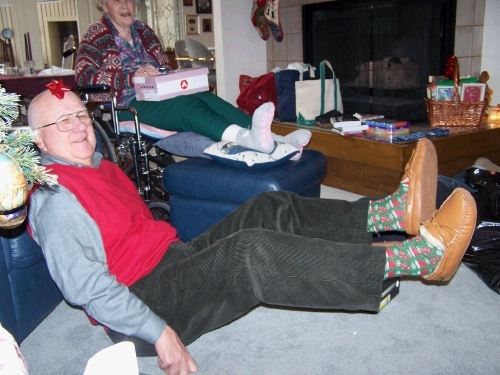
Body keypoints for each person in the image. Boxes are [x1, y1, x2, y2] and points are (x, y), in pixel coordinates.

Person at [27, 87, 477, 375]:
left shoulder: (100, 168)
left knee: (266, 206)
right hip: (138, 309)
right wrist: (160, 334)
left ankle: (387, 215)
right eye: (62, 121)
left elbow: (136, 235)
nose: (80, 126)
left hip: (171, 264)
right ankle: (415, 260)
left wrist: (189, 253)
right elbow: (86, 289)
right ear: (39, 141)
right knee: (248, 253)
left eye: (82, 115)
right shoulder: (53, 198)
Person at [74, 0, 311, 155]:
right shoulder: (97, 34)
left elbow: (165, 66)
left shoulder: (144, 31)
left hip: (160, 93)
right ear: (104, 5)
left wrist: (166, 75)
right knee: (188, 106)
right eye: (117, 0)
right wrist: (129, 77)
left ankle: (278, 139)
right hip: (128, 104)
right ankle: (248, 140)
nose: (125, 5)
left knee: (205, 97)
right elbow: (84, 76)